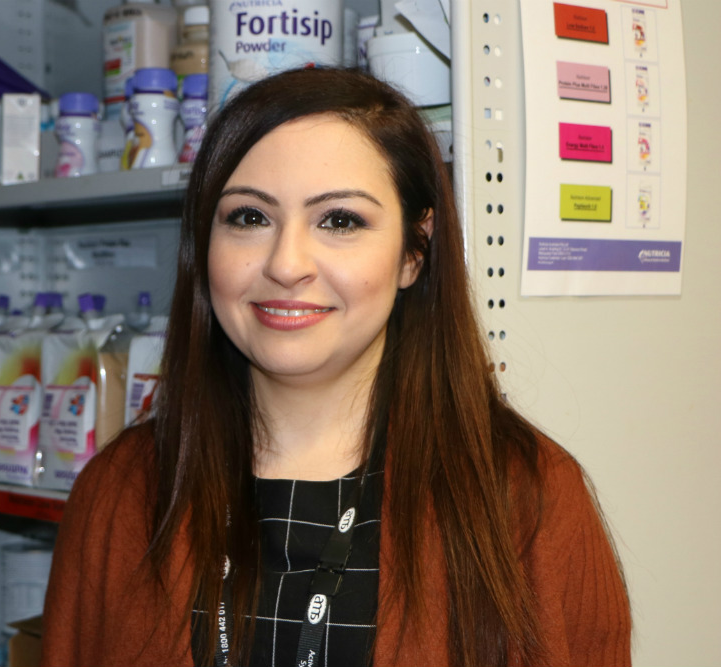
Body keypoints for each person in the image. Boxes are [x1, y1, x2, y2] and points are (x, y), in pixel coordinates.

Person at [40, 67, 631, 667]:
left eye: (340, 220)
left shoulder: (526, 498)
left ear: (413, 252)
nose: (286, 263)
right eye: (249, 217)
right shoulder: (119, 494)